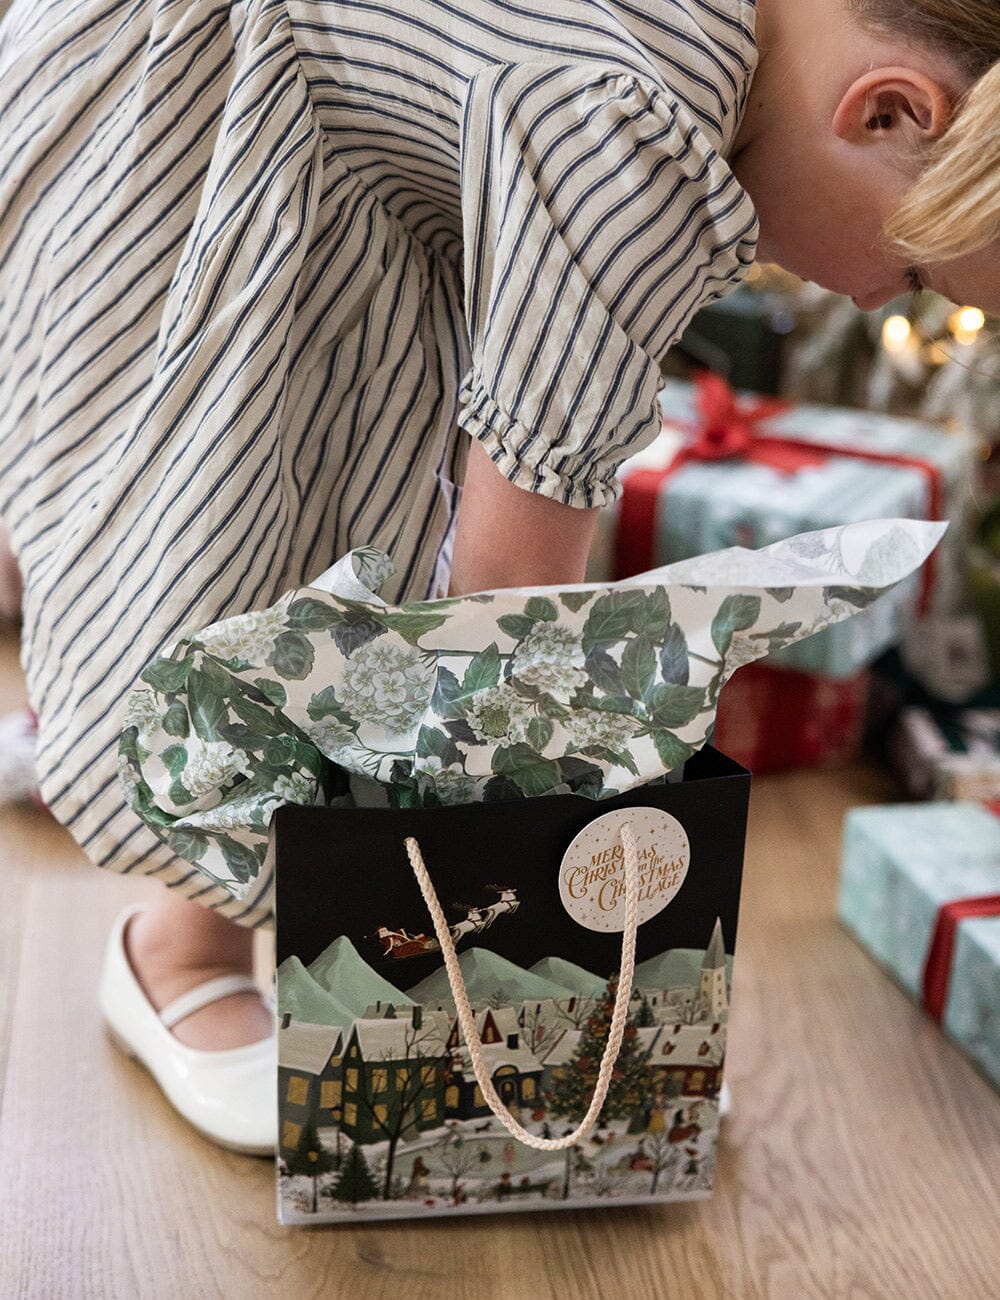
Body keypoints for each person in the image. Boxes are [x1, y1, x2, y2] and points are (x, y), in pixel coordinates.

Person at [0, 0, 996, 1139]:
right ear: (887, 111)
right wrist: (517, 955)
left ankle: (231, 936)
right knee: (213, 536)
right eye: (914, 273)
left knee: (343, 497)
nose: (871, 299)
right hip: (188, 105)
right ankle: (181, 948)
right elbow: (509, 613)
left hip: (326, 145)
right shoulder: (639, 127)